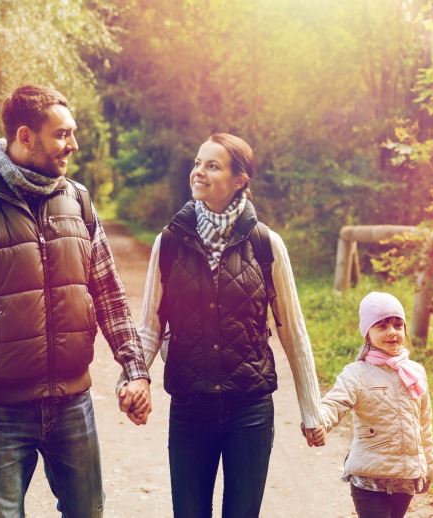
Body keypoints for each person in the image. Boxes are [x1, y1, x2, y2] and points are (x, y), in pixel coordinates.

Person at [0, 83, 151, 518]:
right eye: (62, 134)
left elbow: (109, 294)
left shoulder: (79, 202)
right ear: (25, 136)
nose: (73, 144)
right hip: (0, 412)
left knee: (88, 512)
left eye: (72, 133)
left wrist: (136, 370)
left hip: (73, 403)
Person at [118, 133, 325, 517]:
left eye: (212, 165)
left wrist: (312, 410)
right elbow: (149, 326)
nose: (198, 172)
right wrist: (133, 377)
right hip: (190, 406)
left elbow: (292, 331)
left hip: (250, 408)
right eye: (198, 163)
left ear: (240, 179)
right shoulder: (170, 243)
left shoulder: (267, 245)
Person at [316, 291, 433, 518]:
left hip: (405, 476)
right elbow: (334, 402)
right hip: (369, 478)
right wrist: (319, 420)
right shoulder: (357, 373)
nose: (392, 332)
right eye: (381, 326)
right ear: (367, 333)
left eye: (397, 325)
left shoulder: (415, 372)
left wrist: (428, 467)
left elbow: (424, 425)